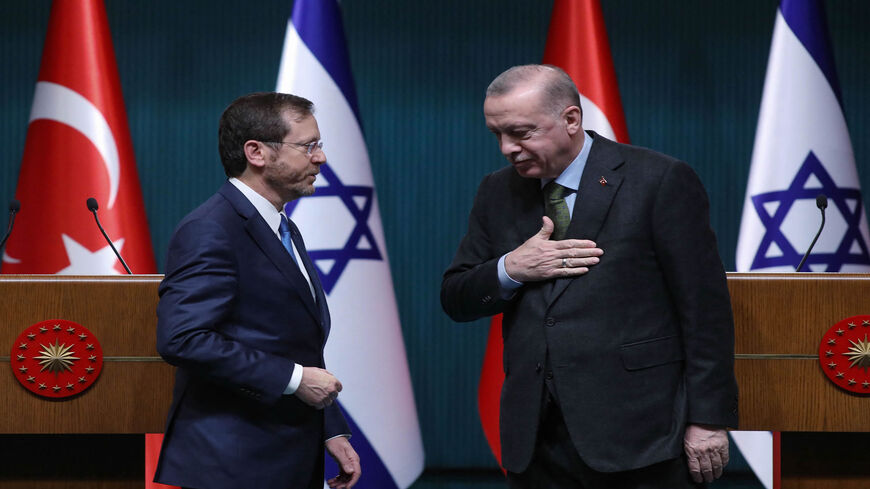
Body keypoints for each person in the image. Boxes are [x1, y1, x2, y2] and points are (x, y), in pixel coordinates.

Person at [441, 65, 738, 488]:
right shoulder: (497, 191)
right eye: (497, 135)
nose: (508, 148)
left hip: (642, 435)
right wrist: (511, 269)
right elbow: (456, 296)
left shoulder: (658, 180)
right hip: (537, 438)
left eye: (522, 133)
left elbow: (704, 311)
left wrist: (708, 420)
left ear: (571, 119)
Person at [154, 92, 360, 489]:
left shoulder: (280, 225)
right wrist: (296, 379)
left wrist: (329, 428)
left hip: (283, 453)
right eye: (309, 146)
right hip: (232, 463)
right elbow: (182, 338)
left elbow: (292, 343)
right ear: (256, 152)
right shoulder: (212, 228)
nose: (321, 158)